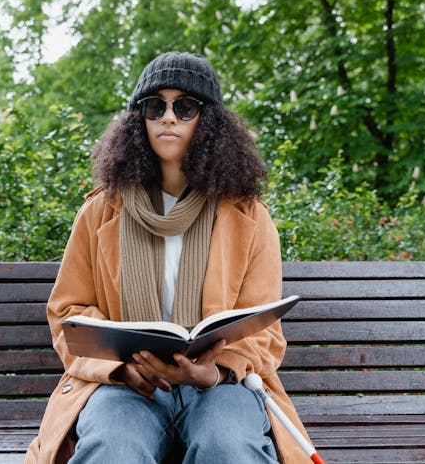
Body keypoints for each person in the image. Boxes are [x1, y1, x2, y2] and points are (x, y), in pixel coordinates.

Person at [24, 52, 313, 463]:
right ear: (138, 118)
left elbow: (263, 332)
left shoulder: (249, 216)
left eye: (185, 106)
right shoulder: (100, 211)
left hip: (219, 385)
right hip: (126, 384)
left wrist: (212, 371)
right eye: (155, 105)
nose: (169, 117)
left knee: (229, 446)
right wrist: (121, 368)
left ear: (208, 121)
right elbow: (68, 311)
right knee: (113, 448)